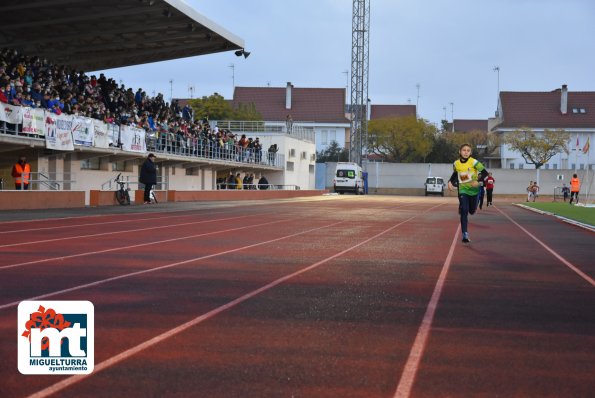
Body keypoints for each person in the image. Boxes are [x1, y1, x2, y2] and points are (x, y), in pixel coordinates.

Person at [448, 143, 488, 243]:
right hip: (462, 190)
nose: (466, 152)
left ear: (470, 152)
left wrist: (478, 181)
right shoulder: (456, 163)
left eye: (468, 150)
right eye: (464, 150)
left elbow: (485, 173)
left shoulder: (474, 162)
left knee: (471, 211)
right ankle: (465, 234)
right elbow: (455, 174)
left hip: (474, 191)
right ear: (460, 152)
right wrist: (449, 182)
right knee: (464, 210)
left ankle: (474, 205)